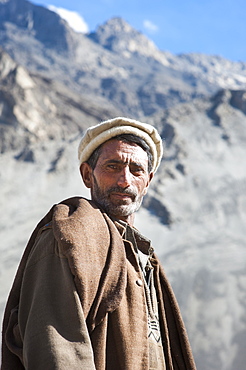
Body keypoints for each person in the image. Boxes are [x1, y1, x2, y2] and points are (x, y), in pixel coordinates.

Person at [1, 117, 196, 369]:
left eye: (136, 170)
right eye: (112, 166)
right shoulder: (69, 239)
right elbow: (57, 351)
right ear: (87, 175)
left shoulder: (144, 257)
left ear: (147, 182)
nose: (124, 181)